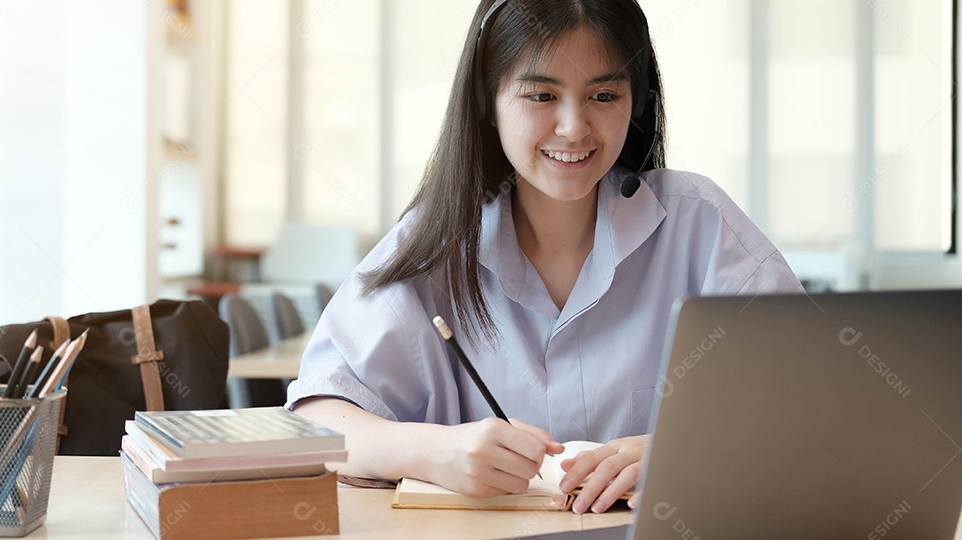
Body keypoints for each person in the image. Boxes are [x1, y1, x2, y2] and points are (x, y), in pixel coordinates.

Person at [286, 0, 803, 514]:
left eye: (604, 94)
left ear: (637, 100)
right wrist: (434, 452)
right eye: (540, 95)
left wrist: (689, 451)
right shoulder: (435, 246)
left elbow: (814, 399)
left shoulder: (700, 224)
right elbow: (317, 421)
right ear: (487, 101)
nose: (574, 127)